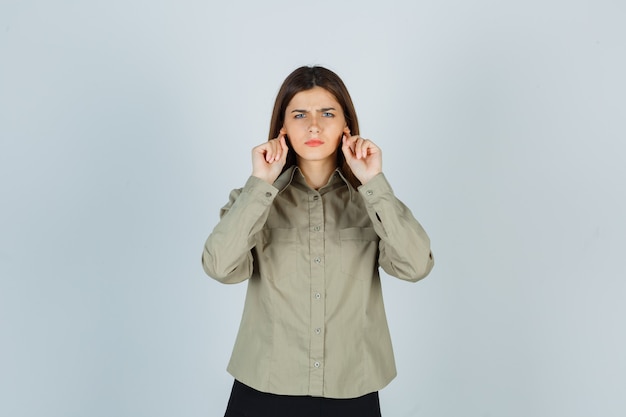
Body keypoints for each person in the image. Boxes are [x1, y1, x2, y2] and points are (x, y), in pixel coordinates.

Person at [201, 66, 434, 417]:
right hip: (264, 385)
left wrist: (374, 182)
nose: (314, 125)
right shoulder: (254, 200)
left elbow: (416, 266)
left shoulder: (371, 201)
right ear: (282, 128)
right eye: (299, 114)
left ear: (346, 125)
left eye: (327, 113)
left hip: (350, 386)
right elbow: (220, 267)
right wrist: (259, 185)